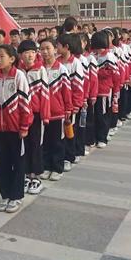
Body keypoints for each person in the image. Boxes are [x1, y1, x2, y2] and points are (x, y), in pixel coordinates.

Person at [0, 45, 32, 213]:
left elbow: (25, 103)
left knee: (17, 162)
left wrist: (24, 126)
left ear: (12, 58)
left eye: (2, 56)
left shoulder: (19, 76)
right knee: (2, 163)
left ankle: (16, 196)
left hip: (15, 129)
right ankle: (5, 194)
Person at [18, 39, 50, 194]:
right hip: (22, 115)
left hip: (36, 115)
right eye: (26, 52)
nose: (30, 55)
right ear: (20, 55)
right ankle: (25, 173)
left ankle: (35, 176)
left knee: (36, 144)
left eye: (32, 52)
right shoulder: (18, 71)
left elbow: (45, 94)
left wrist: (45, 116)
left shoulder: (40, 70)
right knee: (24, 145)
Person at [39, 38, 72, 181]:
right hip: (42, 114)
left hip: (58, 113)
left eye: (48, 48)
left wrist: (68, 109)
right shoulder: (38, 68)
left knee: (57, 142)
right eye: (42, 49)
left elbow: (67, 91)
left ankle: (57, 167)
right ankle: (46, 166)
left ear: (54, 49)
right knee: (45, 142)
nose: (45, 52)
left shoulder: (61, 69)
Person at [56, 33, 84, 171]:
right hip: (59, 104)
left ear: (66, 47)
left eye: (58, 45)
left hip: (71, 104)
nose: (56, 47)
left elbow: (78, 85)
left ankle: (69, 156)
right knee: (61, 132)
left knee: (70, 130)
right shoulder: (57, 62)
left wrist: (76, 104)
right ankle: (64, 155)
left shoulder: (75, 63)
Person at [90, 31, 120, 148]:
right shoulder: (93, 55)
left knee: (103, 114)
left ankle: (103, 137)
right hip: (94, 90)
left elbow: (115, 74)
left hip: (104, 90)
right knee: (95, 115)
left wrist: (116, 91)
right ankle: (96, 136)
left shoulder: (109, 56)